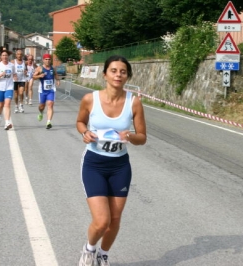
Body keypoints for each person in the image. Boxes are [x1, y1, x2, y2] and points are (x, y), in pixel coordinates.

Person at [76, 55, 147, 266]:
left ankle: (103, 255)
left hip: (119, 166)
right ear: (105, 74)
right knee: (102, 221)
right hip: (94, 164)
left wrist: (130, 137)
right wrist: (85, 133)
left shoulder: (134, 102)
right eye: (114, 70)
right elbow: (80, 121)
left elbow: (142, 138)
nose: (118, 75)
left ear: (128, 76)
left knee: (114, 220)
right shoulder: (90, 99)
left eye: (123, 71)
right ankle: (88, 250)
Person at [32, 54, 60, 129]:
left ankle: (48, 122)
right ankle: (41, 112)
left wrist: (57, 80)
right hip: (42, 91)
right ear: (43, 60)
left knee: (50, 104)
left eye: (49, 59)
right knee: (42, 106)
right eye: (46, 59)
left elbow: (56, 75)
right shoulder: (39, 68)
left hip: (51, 90)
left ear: (50, 60)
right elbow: (33, 77)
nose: (47, 61)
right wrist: (39, 76)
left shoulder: (53, 68)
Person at [0, 48, 16, 130]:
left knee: (7, 104)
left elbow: (14, 73)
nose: (5, 57)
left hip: (9, 87)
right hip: (0, 87)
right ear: (1, 57)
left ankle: (7, 122)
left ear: (8, 56)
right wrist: (1, 75)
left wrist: (15, 77)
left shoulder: (11, 65)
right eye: (3, 55)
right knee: (1, 104)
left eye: (6, 55)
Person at [11, 49, 26, 113]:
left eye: (20, 54)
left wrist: (26, 72)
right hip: (15, 80)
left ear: (22, 55)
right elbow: (10, 69)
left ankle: (21, 105)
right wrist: (13, 75)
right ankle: (16, 105)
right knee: (16, 93)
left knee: (21, 93)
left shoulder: (24, 62)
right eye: (18, 54)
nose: (19, 55)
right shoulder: (13, 62)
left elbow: (26, 69)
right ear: (16, 55)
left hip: (22, 79)